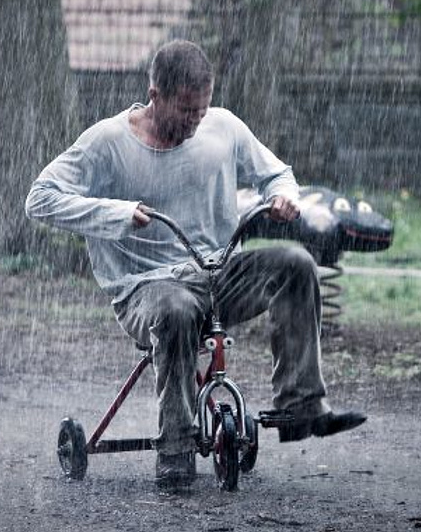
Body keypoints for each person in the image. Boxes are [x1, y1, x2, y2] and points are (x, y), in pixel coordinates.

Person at [26, 39, 365, 488]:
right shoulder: (106, 142)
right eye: (186, 110)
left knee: (295, 264)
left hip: (217, 271)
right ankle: (176, 448)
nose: (194, 121)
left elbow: (276, 173)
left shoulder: (222, 127)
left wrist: (282, 197)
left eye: (201, 110)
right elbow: (40, 199)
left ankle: (301, 407)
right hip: (145, 287)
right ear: (155, 95)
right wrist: (116, 214)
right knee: (176, 311)